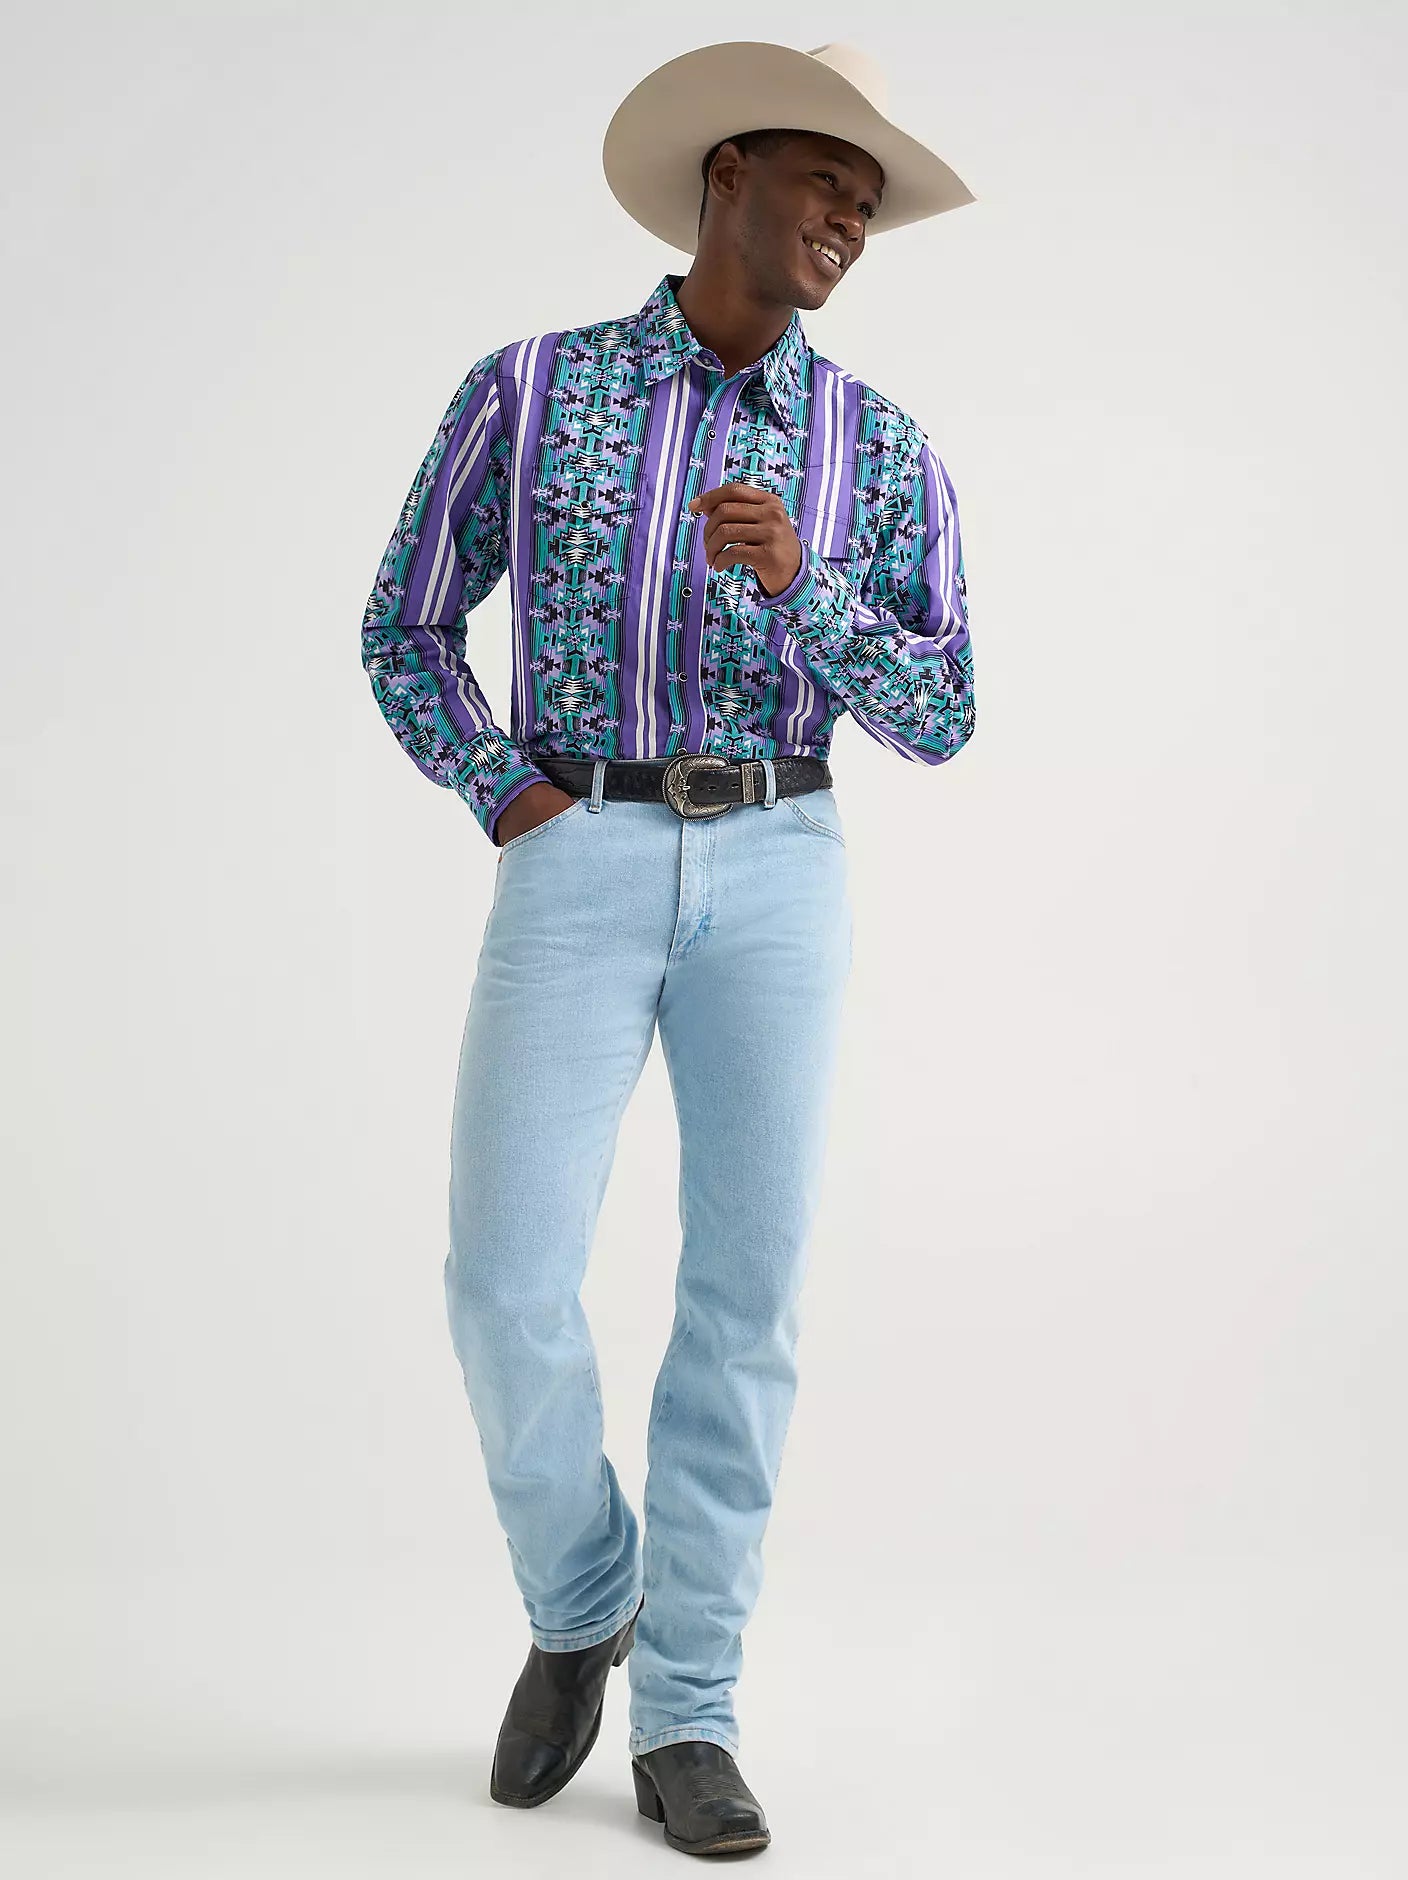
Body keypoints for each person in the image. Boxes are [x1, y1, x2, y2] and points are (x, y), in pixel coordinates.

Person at [359, 38, 977, 1858]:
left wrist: (812, 589)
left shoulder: (880, 448)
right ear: (728, 176)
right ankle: (582, 1605)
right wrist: (503, 792)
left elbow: (942, 711)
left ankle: (690, 1711)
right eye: (826, 182)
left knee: (742, 1301)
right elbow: (404, 623)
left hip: (784, 860)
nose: (851, 219)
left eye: (870, 200)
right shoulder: (530, 392)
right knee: (501, 1279)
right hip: (580, 845)